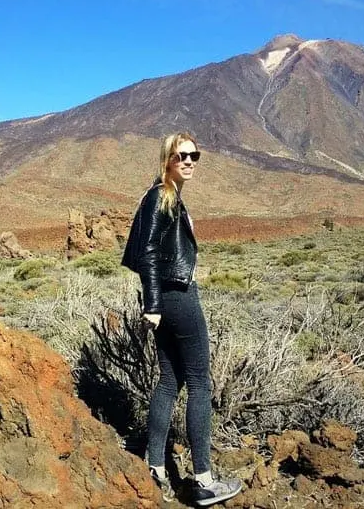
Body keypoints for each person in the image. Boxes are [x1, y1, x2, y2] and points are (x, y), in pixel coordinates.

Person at [122, 132, 241, 506]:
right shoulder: (162, 196)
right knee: (200, 384)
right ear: (167, 159)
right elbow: (149, 253)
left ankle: (154, 466)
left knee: (169, 381)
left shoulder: (167, 195)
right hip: (176, 298)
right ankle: (203, 480)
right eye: (181, 155)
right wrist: (154, 304)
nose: (189, 161)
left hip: (168, 297)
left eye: (194, 155)